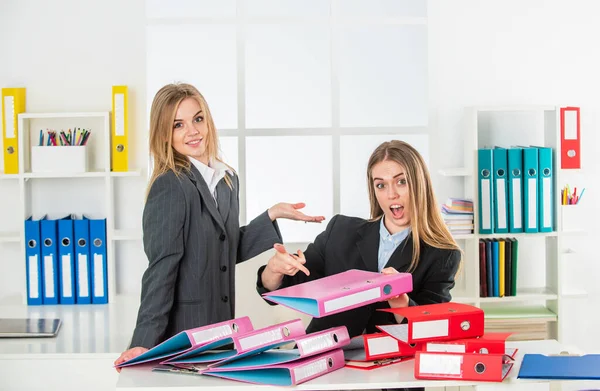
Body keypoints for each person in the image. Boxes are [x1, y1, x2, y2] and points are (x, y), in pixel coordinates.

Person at [114, 83, 324, 369]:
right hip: (181, 337)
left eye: (197, 119)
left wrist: (271, 215)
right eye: (178, 124)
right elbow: (161, 268)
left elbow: (224, 247)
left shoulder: (226, 180)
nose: (193, 131)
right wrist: (144, 341)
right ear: (164, 133)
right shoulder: (170, 185)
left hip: (221, 332)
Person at [257, 140, 461, 391]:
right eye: (381, 185)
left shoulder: (441, 253)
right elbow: (289, 287)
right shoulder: (341, 230)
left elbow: (432, 330)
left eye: (401, 181)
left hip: (392, 375)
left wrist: (402, 304)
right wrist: (274, 270)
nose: (392, 194)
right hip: (324, 367)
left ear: (419, 185)